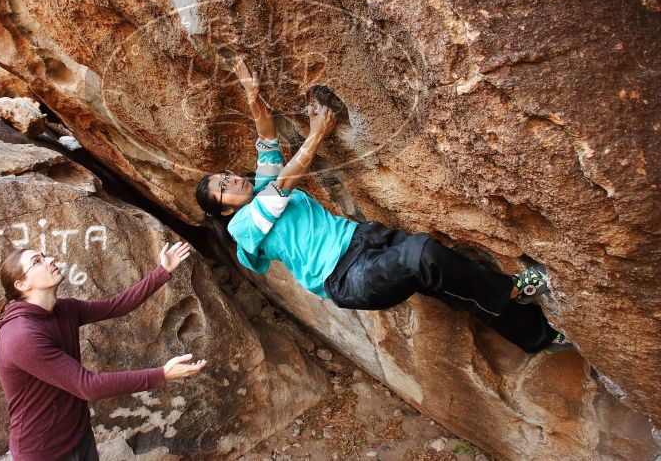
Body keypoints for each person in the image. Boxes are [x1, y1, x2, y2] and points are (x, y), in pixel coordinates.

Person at [195, 60, 567, 353]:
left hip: (364, 239)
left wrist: (251, 94)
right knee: (423, 256)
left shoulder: (259, 187)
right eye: (223, 190)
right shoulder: (240, 227)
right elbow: (286, 183)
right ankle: (515, 290)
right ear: (224, 211)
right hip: (345, 277)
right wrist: (316, 135)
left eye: (225, 176)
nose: (231, 181)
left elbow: (265, 134)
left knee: (450, 281)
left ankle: (540, 338)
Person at [0, 242, 206, 461]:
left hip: (79, 436)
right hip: (43, 451)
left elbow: (117, 305)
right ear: (21, 284)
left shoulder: (64, 309)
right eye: (37, 261)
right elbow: (88, 386)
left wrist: (162, 271)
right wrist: (162, 374)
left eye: (45, 255)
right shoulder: (21, 335)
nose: (50, 260)